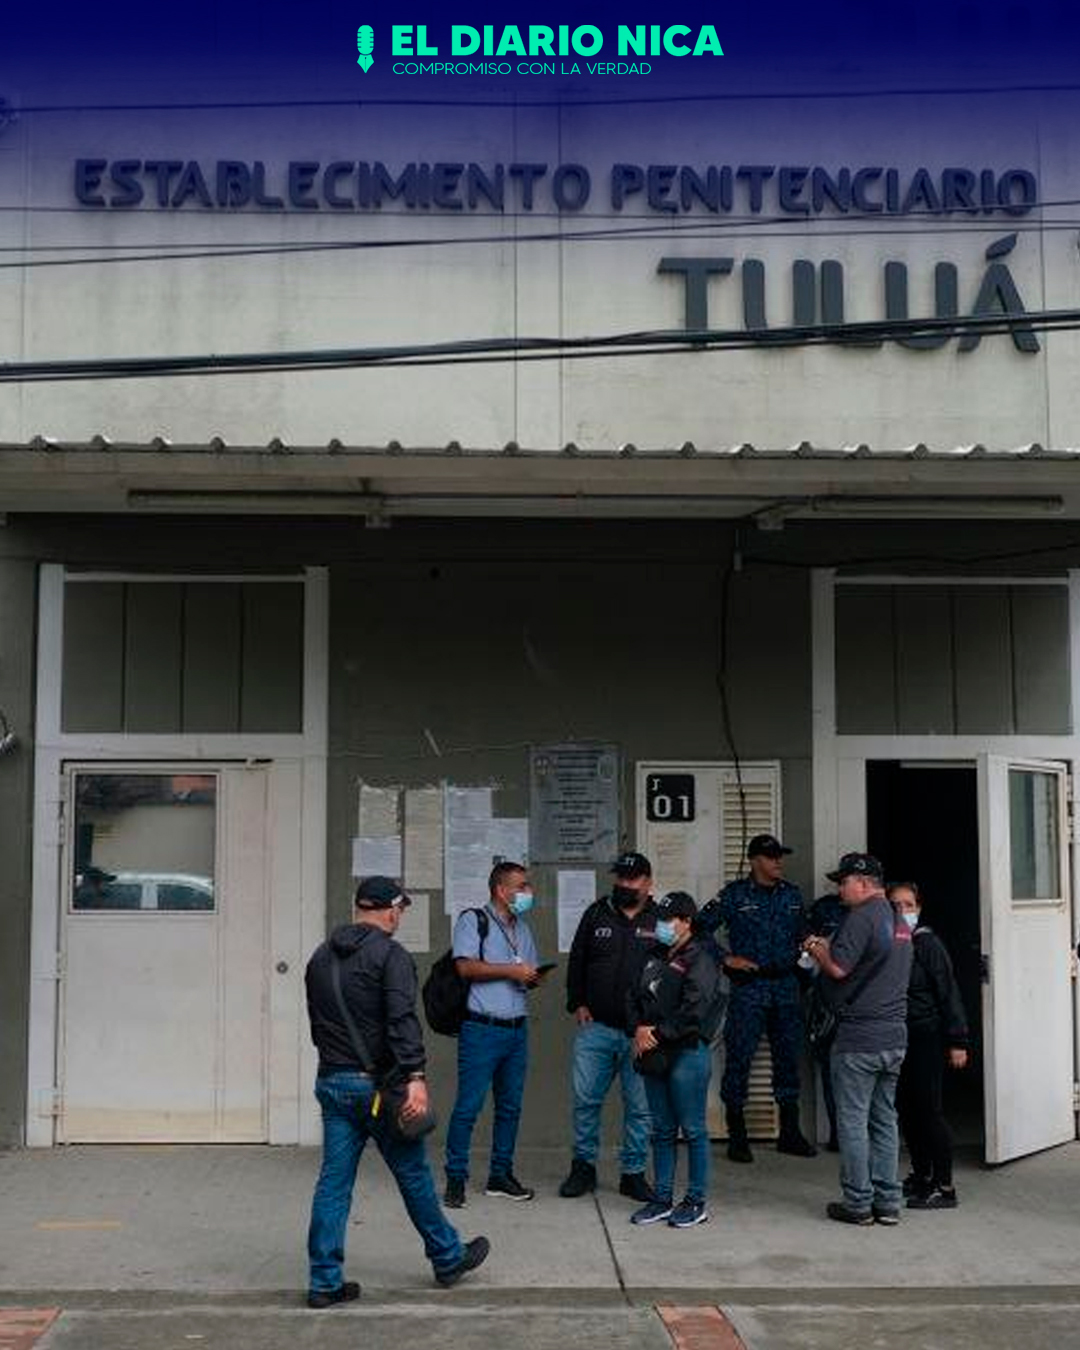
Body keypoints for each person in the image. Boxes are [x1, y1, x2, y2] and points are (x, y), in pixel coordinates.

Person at [304, 875, 490, 1306]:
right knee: (413, 1175)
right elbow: (402, 1021)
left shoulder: (319, 957)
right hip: (379, 1088)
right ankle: (447, 1256)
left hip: (332, 1081)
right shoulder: (391, 956)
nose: (401, 915)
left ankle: (323, 1281)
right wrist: (416, 1079)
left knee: (333, 1185)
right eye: (400, 908)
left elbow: (318, 1025)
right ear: (390, 909)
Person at [803, 853, 913, 1227]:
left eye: (843, 882)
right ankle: (888, 1203)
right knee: (884, 1120)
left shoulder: (860, 917)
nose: (839, 889)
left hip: (859, 1038)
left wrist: (816, 947)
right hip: (894, 1036)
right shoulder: (900, 920)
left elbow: (838, 967)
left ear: (864, 884)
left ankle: (858, 1203)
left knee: (852, 1121)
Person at [697, 833, 816, 1162]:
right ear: (754, 860)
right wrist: (725, 959)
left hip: (786, 986)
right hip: (750, 987)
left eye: (780, 856)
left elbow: (804, 935)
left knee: (788, 1058)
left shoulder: (791, 895)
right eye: (771, 856)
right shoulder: (735, 896)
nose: (778, 862)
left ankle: (789, 1133)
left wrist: (808, 955)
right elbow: (699, 929)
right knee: (739, 1058)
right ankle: (738, 1136)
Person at [443, 861, 545, 1208]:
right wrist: (511, 970)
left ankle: (500, 1175)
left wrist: (530, 976)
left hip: (516, 1031)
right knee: (468, 1107)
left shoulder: (524, 929)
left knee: (510, 1108)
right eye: (522, 886)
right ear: (501, 890)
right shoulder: (474, 920)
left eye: (528, 886)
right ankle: (455, 1177)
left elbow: (525, 971)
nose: (527, 892)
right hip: (482, 1029)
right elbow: (465, 966)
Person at [559, 851, 658, 1203]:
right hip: (596, 1028)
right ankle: (583, 1168)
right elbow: (578, 961)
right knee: (586, 1101)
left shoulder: (660, 919)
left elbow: (673, 971)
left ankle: (632, 1174)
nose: (624, 885)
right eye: (620, 878)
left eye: (631, 879)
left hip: (640, 1035)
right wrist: (578, 1002)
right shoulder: (596, 912)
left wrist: (656, 1021)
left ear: (648, 883)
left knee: (640, 1107)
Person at [627, 891, 721, 1229]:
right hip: (654, 1052)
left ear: (687, 922)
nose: (662, 925)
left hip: (686, 1052)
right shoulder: (655, 954)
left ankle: (696, 1201)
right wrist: (639, 1028)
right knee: (662, 1129)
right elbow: (634, 995)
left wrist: (656, 1033)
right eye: (660, 919)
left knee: (693, 1129)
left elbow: (694, 1009)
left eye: (669, 919)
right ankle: (662, 1198)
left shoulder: (701, 958)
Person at [888, 881, 969, 1210]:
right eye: (895, 905)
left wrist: (958, 1040)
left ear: (919, 907)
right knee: (908, 1109)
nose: (903, 911)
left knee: (929, 1110)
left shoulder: (927, 943)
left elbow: (948, 992)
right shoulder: (894, 943)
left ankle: (944, 1185)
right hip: (900, 1036)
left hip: (927, 1035)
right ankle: (922, 1175)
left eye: (908, 904)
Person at [805, 891, 845, 1151]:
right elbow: (807, 954)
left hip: (861, 1009)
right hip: (827, 1004)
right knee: (831, 1073)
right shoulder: (823, 909)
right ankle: (838, 1136)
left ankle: (862, 1136)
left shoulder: (876, 913)